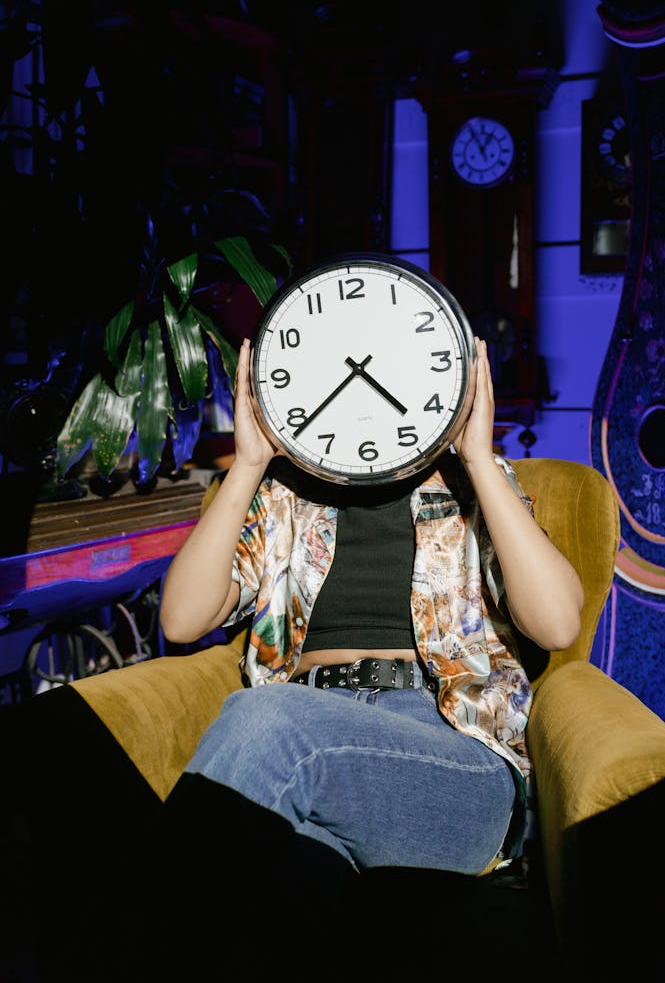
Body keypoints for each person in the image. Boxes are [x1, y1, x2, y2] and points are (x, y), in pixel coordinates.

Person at [156, 325, 583, 970]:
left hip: (450, 757)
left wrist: (476, 459)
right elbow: (184, 620)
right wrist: (248, 464)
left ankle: (122, 944)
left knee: (264, 720)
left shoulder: (474, 486)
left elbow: (556, 624)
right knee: (291, 879)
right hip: (316, 746)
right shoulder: (283, 495)